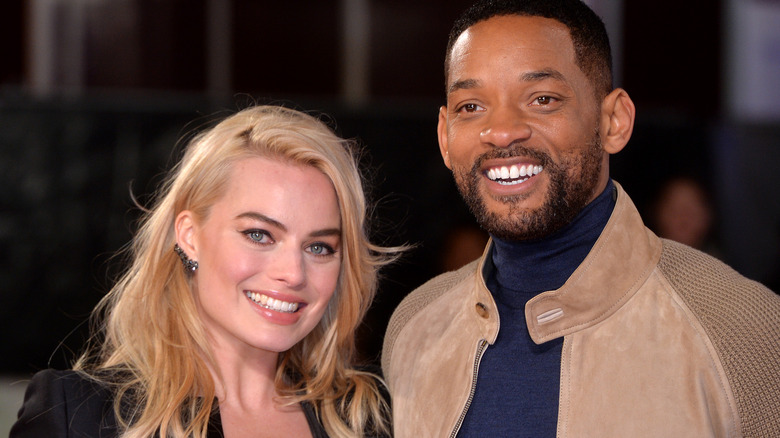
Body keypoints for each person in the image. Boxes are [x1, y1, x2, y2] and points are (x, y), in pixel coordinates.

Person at [381, 1, 780, 437]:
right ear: (444, 136)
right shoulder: (415, 327)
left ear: (614, 121)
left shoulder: (744, 327)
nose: (501, 131)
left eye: (542, 99)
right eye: (471, 107)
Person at [12, 105, 398, 438]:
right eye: (259, 235)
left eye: (319, 247)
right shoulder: (78, 416)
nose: (293, 273)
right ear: (190, 236)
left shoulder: (376, 418)